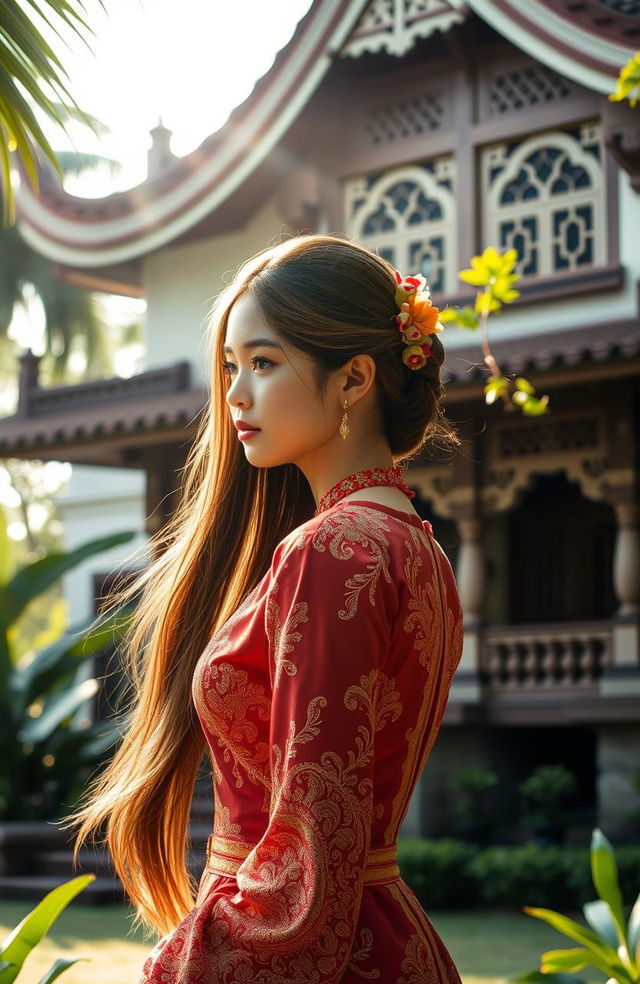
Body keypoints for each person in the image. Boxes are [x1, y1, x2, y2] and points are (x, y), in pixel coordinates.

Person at [61, 235, 465, 983]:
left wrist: (179, 967)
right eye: (230, 366)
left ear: (354, 381)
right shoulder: (420, 550)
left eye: (264, 362)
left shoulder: (333, 553)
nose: (235, 393)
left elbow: (306, 869)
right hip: (386, 942)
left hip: (305, 953)